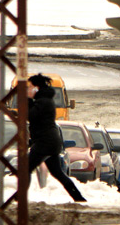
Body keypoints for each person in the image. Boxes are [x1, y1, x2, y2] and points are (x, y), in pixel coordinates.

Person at [25, 74, 86, 202]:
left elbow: (30, 115)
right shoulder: (44, 100)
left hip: (44, 142)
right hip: (50, 141)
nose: (28, 90)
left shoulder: (43, 102)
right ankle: (79, 198)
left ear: (37, 88)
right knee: (57, 173)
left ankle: (18, 198)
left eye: (30, 87)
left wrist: (27, 101)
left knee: (25, 169)